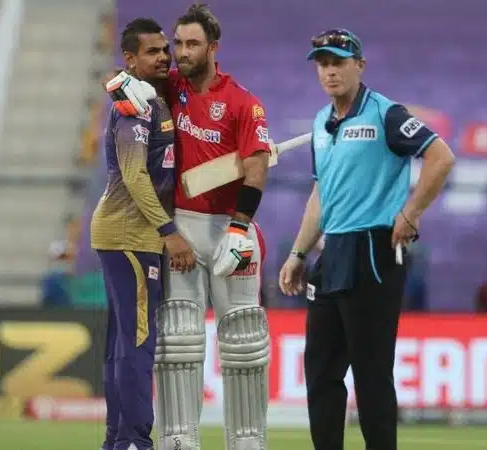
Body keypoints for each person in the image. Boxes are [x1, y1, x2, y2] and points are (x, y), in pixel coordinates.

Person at [278, 29, 455, 450]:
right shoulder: (321, 122)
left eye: (338, 62)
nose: (330, 71)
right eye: (323, 63)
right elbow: (321, 194)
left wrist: (410, 213)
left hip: (373, 251)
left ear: (359, 65)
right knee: (321, 371)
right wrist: (298, 252)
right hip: (331, 252)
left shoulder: (385, 114)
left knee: (371, 373)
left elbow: (441, 156)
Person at [105, 5, 272, 449]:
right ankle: (179, 437)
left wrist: (239, 228)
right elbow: (125, 75)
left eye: (191, 44)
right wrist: (119, 84)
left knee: (243, 339)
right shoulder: (170, 86)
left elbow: (256, 168)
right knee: (178, 339)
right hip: (181, 226)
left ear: (213, 47)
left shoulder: (243, 102)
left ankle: (248, 440)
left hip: (231, 228)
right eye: (177, 43)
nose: (180, 52)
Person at [90, 18, 195, 450]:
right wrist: (169, 231)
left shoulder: (150, 98)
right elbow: (135, 176)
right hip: (131, 236)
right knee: (137, 343)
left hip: (125, 235)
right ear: (130, 59)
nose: (164, 57)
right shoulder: (133, 107)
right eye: (153, 52)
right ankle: (135, 441)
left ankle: (118, 440)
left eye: (165, 50)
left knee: (122, 344)